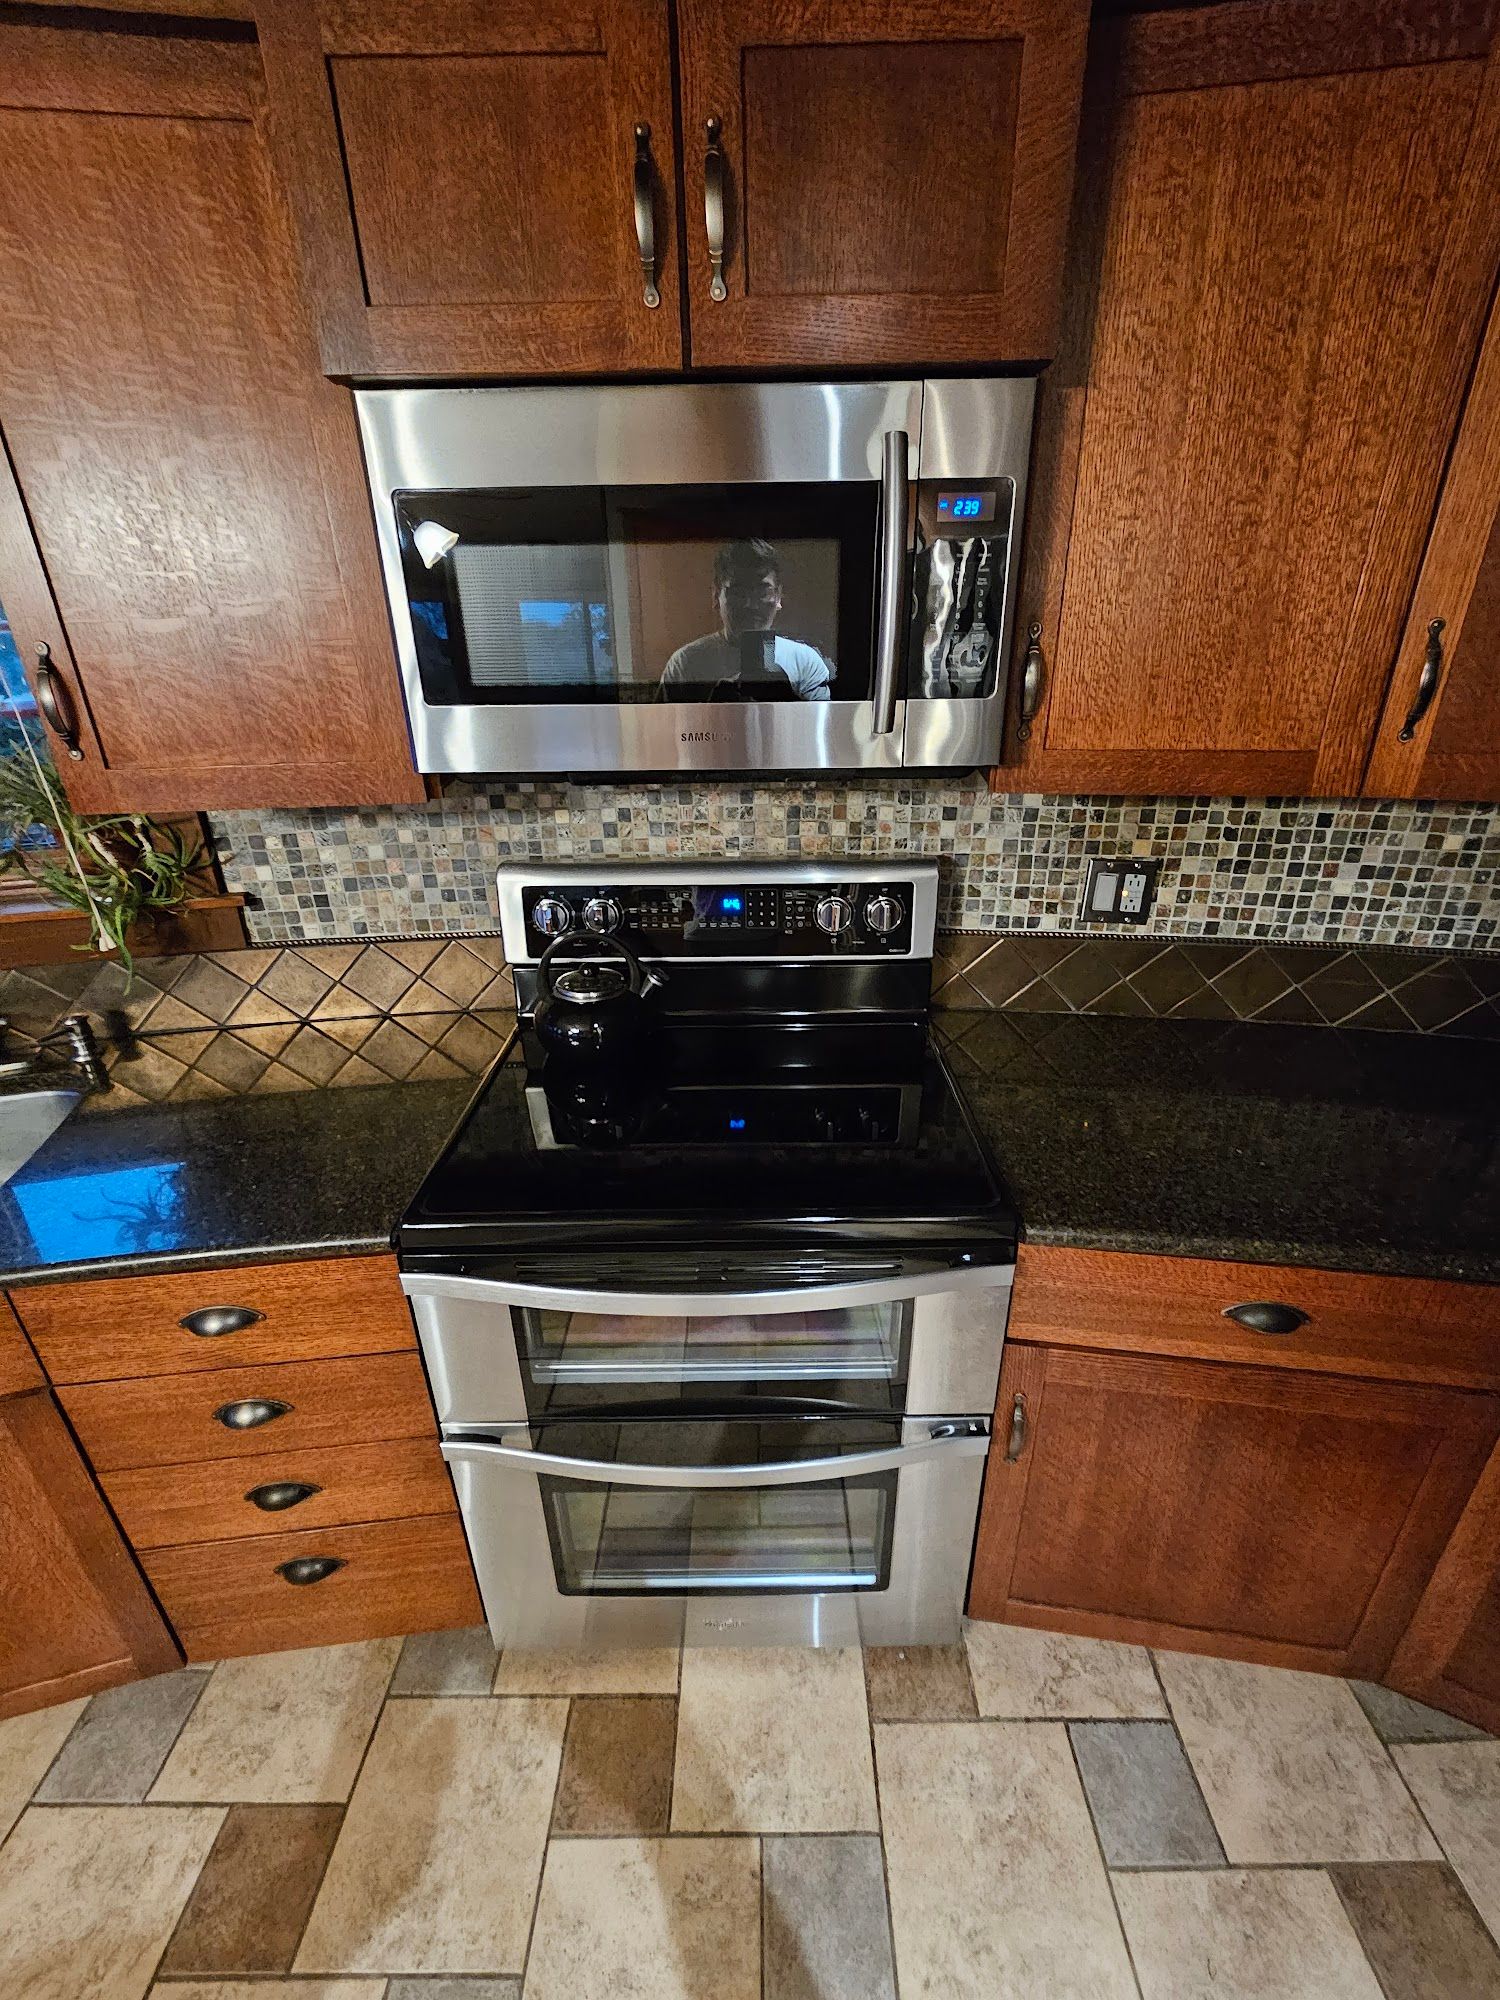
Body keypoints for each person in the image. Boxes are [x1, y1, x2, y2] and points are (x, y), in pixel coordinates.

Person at [659, 539, 833, 700]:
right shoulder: (684, 664)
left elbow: (826, 723)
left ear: (778, 596)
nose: (750, 605)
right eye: (738, 592)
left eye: (763, 591)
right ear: (716, 595)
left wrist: (787, 701)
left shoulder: (805, 663)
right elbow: (663, 724)